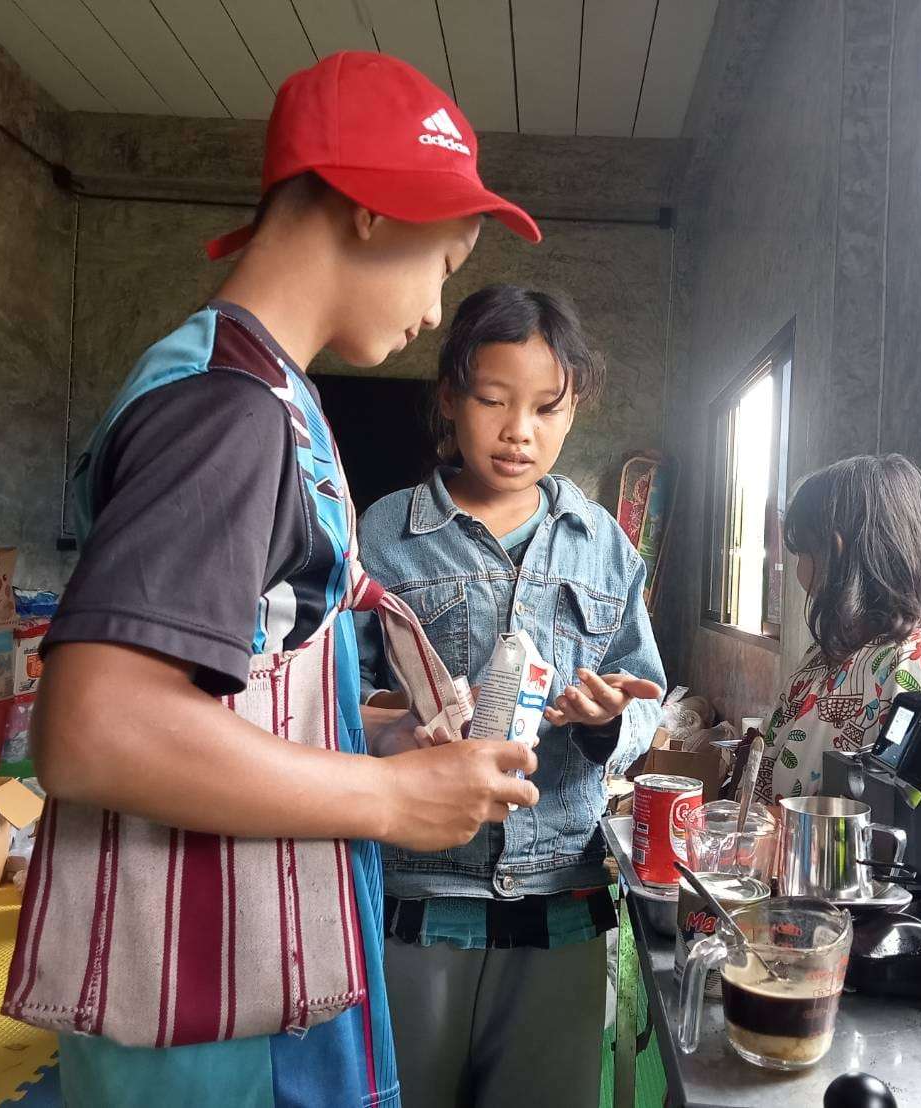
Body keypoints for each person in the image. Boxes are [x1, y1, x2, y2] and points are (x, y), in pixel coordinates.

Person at [3, 54, 545, 1108]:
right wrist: (386, 796)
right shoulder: (229, 411)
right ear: (373, 210)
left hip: (241, 982)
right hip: (218, 1013)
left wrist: (371, 733)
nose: (437, 311)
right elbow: (95, 726)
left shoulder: (251, 386)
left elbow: (223, 673)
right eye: (447, 261)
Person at [356, 284, 666, 1108]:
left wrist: (609, 722)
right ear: (451, 398)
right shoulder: (383, 534)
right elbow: (332, 699)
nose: (518, 431)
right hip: (416, 893)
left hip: (560, 894)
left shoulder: (602, 544)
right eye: (492, 400)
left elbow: (647, 693)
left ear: (574, 411)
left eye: (545, 408)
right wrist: (397, 729)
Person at [756, 454, 921, 804]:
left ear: (836, 552)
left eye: (802, 554)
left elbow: (914, 811)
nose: (798, 572)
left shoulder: (914, 664)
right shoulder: (825, 656)